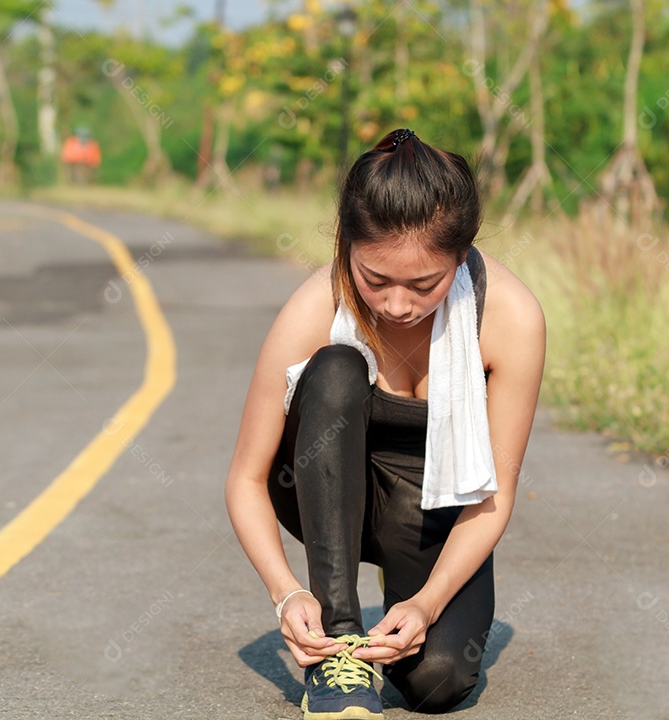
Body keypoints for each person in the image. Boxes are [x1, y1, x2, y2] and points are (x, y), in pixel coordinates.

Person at [224, 128, 546, 718]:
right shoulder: (314, 305)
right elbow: (246, 479)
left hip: (436, 509)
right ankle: (339, 641)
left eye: (425, 285)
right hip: (326, 488)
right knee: (337, 368)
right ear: (347, 245)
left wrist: (426, 604)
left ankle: (402, 598)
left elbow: (492, 498)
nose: (398, 306)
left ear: (462, 253)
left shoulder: (512, 318)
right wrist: (286, 592)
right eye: (376, 280)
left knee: (439, 684)